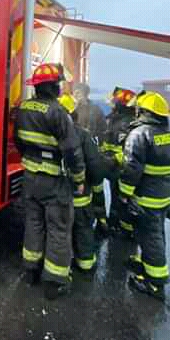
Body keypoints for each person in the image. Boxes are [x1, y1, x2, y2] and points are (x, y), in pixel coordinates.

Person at [14, 63, 86, 300]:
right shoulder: (58, 113)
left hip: (30, 177)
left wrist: (31, 158)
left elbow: (19, 142)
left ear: (36, 87)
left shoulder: (23, 108)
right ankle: (54, 284)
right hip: (54, 181)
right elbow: (72, 151)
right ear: (55, 87)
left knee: (33, 223)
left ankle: (30, 271)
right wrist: (79, 179)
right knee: (58, 228)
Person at [118, 91, 170, 301]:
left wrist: (124, 193)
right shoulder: (169, 134)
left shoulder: (139, 134)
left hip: (146, 195)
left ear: (145, 111)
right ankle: (146, 265)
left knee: (150, 236)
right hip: (162, 195)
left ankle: (154, 283)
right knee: (156, 232)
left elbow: (131, 168)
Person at [59, 93, 108, 273]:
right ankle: (85, 263)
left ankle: (60, 265)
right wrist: (96, 183)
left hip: (57, 194)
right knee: (82, 229)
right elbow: (94, 166)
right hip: (79, 196)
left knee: (58, 231)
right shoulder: (83, 135)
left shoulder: (51, 133)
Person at [101, 87, 137, 234]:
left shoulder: (131, 124)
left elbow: (131, 151)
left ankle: (124, 228)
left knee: (122, 199)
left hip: (121, 168)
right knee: (115, 196)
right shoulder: (111, 118)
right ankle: (114, 223)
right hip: (110, 166)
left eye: (115, 102)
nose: (112, 104)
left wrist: (114, 159)